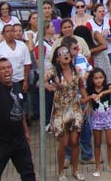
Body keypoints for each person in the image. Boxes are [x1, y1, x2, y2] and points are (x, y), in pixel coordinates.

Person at [0, 33, 36, 181]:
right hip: (0, 140)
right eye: (2, 69)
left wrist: (26, 132)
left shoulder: (17, 86)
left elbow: (20, 110)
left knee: (28, 173)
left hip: (19, 139)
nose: (7, 71)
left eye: (9, 67)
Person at [45, 45, 88, 181]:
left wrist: (87, 101)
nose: (65, 55)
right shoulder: (53, 71)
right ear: (57, 58)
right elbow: (40, 81)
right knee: (64, 143)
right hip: (60, 109)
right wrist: (48, 86)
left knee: (75, 141)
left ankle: (75, 170)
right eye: (61, 53)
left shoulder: (76, 70)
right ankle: (60, 172)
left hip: (75, 108)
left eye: (67, 52)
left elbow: (81, 87)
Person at [84, 67, 111, 177]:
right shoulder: (90, 89)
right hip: (97, 118)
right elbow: (83, 99)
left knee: (110, 142)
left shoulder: (107, 87)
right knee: (97, 143)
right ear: (92, 79)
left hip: (108, 116)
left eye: (101, 77)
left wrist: (104, 92)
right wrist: (90, 98)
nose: (99, 80)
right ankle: (98, 167)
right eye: (96, 78)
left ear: (104, 78)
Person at [0, 23, 31, 95]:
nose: (10, 33)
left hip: (20, 80)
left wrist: (25, 81)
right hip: (5, 81)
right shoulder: (0, 47)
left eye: (12, 31)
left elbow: (27, 64)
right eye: (7, 31)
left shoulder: (22, 45)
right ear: (3, 34)